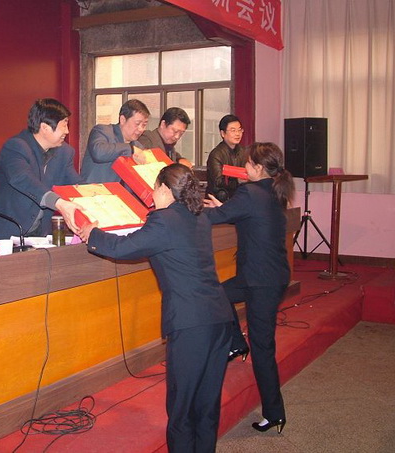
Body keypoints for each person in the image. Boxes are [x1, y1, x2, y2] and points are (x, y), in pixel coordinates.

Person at [79, 164, 233, 453]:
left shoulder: (164, 219)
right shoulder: (197, 216)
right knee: (206, 404)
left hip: (191, 324)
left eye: (154, 189)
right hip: (219, 318)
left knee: (181, 408)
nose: (152, 196)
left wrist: (93, 234)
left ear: (164, 189)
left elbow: (123, 248)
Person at [204, 142, 295, 435]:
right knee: (219, 293)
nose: (244, 167)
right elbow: (243, 214)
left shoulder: (250, 193)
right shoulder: (272, 191)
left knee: (263, 348)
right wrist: (224, 209)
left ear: (257, 168)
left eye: (247, 163)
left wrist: (178, 209)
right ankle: (236, 344)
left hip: (261, 282)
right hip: (266, 276)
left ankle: (274, 413)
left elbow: (212, 218)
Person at [0, 98, 83, 245]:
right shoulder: (15, 147)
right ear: (45, 127)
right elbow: (23, 179)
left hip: (37, 237)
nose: (67, 131)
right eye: (64, 125)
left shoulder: (64, 153)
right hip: (0, 236)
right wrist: (59, 203)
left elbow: (75, 185)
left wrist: (98, 197)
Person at [80, 99, 150, 183]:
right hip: (94, 189)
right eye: (137, 124)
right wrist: (130, 149)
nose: (141, 129)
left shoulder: (138, 146)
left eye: (144, 125)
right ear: (123, 120)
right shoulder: (102, 131)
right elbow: (99, 153)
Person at [206, 114, 246, 202]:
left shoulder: (244, 152)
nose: (237, 134)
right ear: (223, 133)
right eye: (233, 130)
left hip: (238, 196)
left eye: (239, 130)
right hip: (218, 198)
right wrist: (237, 181)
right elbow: (218, 182)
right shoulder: (216, 154)